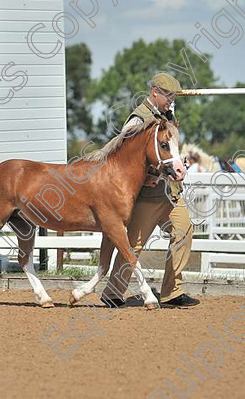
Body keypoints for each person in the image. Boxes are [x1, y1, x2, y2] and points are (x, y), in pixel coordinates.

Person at [101, 72, 200, 308]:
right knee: (133, 245)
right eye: (168, 96)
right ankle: (113, 293)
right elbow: (122, 159)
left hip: (171, 193)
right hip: (148, 196)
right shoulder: (138, 120)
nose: (171, 101)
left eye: (173, 97)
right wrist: (145, 178)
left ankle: (172, 291)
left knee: (183, 232)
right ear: (155, 92)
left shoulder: (167, 116)